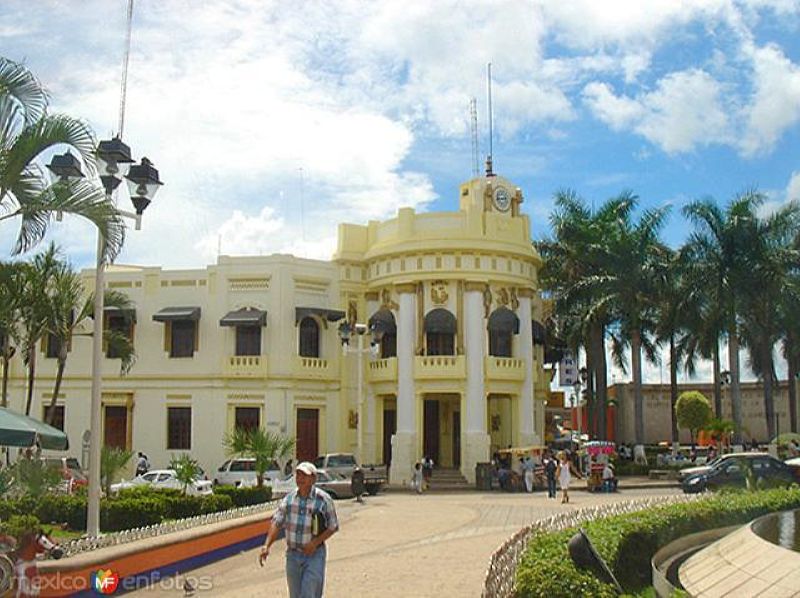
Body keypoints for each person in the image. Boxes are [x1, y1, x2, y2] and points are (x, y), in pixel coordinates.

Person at [260, 462, 339, 598]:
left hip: (314, 555)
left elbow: (333, 525)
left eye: (305, 475)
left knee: (309, 593)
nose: (300, 478)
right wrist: (266, 545)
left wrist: (315, 543)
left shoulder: (323, 500)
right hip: (293, 556)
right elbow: (277, 521)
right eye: (298, 475)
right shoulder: (289, 500)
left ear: (313, 479)